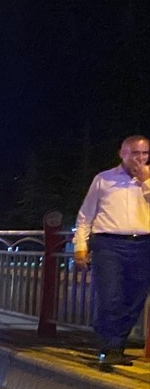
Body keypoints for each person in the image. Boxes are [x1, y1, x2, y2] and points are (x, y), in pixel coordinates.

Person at [73, 135, 150, 370]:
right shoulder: (104, 180)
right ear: (122, 154)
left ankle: (117, 346)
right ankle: (108, 346)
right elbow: (85, 216)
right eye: (134, 153)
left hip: (142, 244)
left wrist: (145, 182)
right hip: (108, 244)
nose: (140, 158)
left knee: (134, 297)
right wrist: (80, 247)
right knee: (109, 296)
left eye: (144, 153)